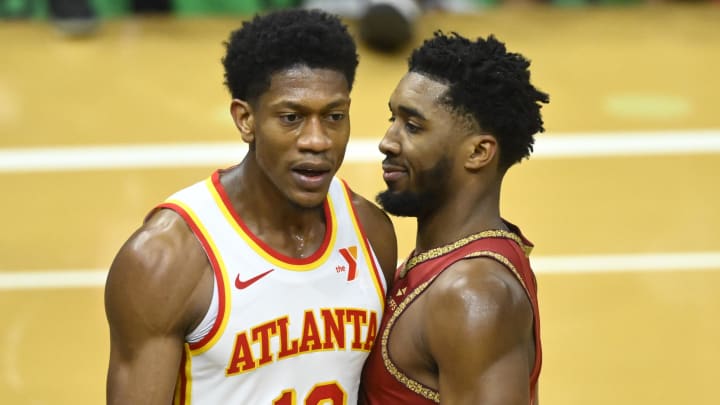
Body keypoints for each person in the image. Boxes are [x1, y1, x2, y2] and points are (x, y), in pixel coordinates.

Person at [105, 8, 397, 404]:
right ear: (246, 120)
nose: (318, 140)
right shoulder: (167, 260)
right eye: (292, 117)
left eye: (334, 116)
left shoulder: (371, 232)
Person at [360, 32, 548, 404]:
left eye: (413, 126)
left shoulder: (472, 294)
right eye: (392, 118)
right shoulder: (449, 263)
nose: (388, 141)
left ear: (478, 152)